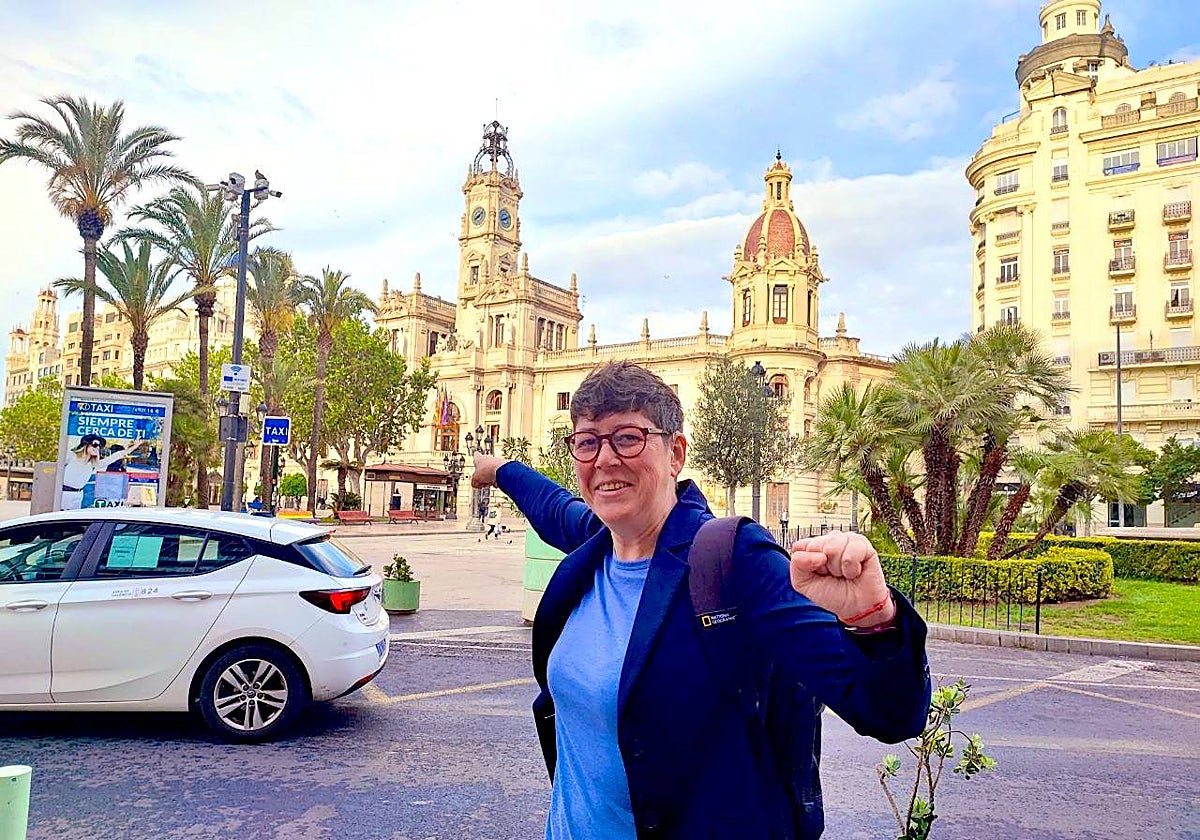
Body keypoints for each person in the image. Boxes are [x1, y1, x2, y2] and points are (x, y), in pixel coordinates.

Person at [470, 361, 930, 839]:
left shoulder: (732, 561)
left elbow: (892, 714)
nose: (604, 459)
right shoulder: (596, 544)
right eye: (588, 442)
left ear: (676, 453)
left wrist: (873, 618)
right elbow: (554, 507)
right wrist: (499, 470)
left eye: (627, 437)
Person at [61, 434, 145, 510]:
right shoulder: (71, 456)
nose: (96, 448)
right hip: (64, 493)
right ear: (86, 445)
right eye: (94, 445)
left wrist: (135, 446)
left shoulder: (93, 464)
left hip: (78, 495)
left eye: (99, 447)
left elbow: (118, 455)